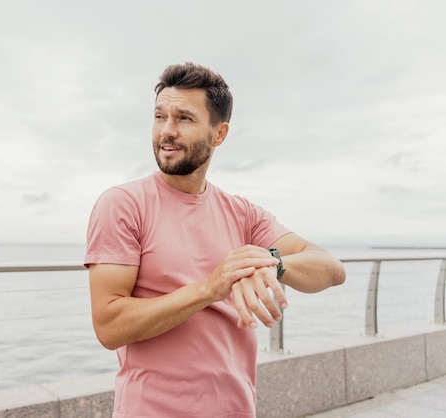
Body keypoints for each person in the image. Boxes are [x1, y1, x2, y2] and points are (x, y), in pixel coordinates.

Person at [84, 62, 346, 418]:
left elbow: (331, 269)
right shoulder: (123, 204)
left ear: (219, 134)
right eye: (160, 117)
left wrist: (270, 263)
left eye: (184, 119)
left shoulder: (242, 213)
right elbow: (109, 326)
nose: (167, 131)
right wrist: (212, 286)